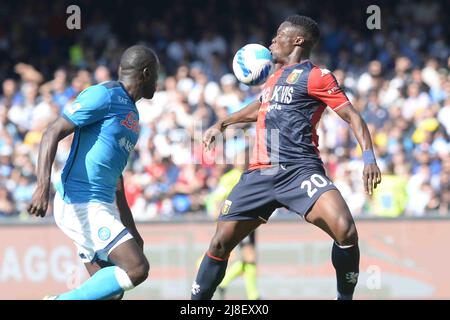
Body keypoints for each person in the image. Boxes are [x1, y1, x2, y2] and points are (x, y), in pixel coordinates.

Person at [191, 15, 381, 300]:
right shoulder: (273, 77)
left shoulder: (317, 76)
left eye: (278, 36)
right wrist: (223, 122)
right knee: (219, 243)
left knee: (346, 230)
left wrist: (369, 158)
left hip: (300, 171)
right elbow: (260, 106)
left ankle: (344, 298)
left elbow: (352, 116)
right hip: (261, 173)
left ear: (298, 40)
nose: (272, 42)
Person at [28, 45, 159, 300]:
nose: (158, 79)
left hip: (102, 204)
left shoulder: (133, 115)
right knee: (137, 268)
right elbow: (52, 132)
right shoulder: (105, 95)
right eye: (156, 73)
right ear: (145, 73)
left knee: (111, 295)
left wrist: (130, 227)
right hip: (81, 201)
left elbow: (116, 177)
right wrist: (43, 186)